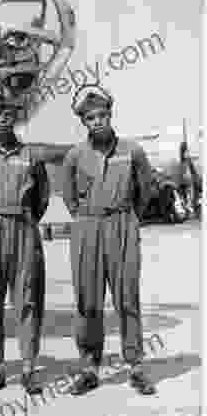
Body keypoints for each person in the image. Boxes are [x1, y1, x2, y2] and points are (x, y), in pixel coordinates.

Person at [63, 84, 157, 396]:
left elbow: (146, 190)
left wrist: (128, 218)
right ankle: (89, 366)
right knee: (87, 300)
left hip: (123, 224)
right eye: (91, 118)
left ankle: (136, 365)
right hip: (87, 227)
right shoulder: (75, 156)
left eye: (102, 115)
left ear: (110, 115)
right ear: (84, 122)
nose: (98, 121)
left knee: (127, 297)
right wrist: (88, 217)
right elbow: (69, 197)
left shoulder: (132, 151)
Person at [0, 92, 49, 396]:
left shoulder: (30, 155)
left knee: (27, 299)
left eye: (9, 113)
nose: (4, 117)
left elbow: (41, 197)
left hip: (24, 227)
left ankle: (28, 368)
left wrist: (24, 220)